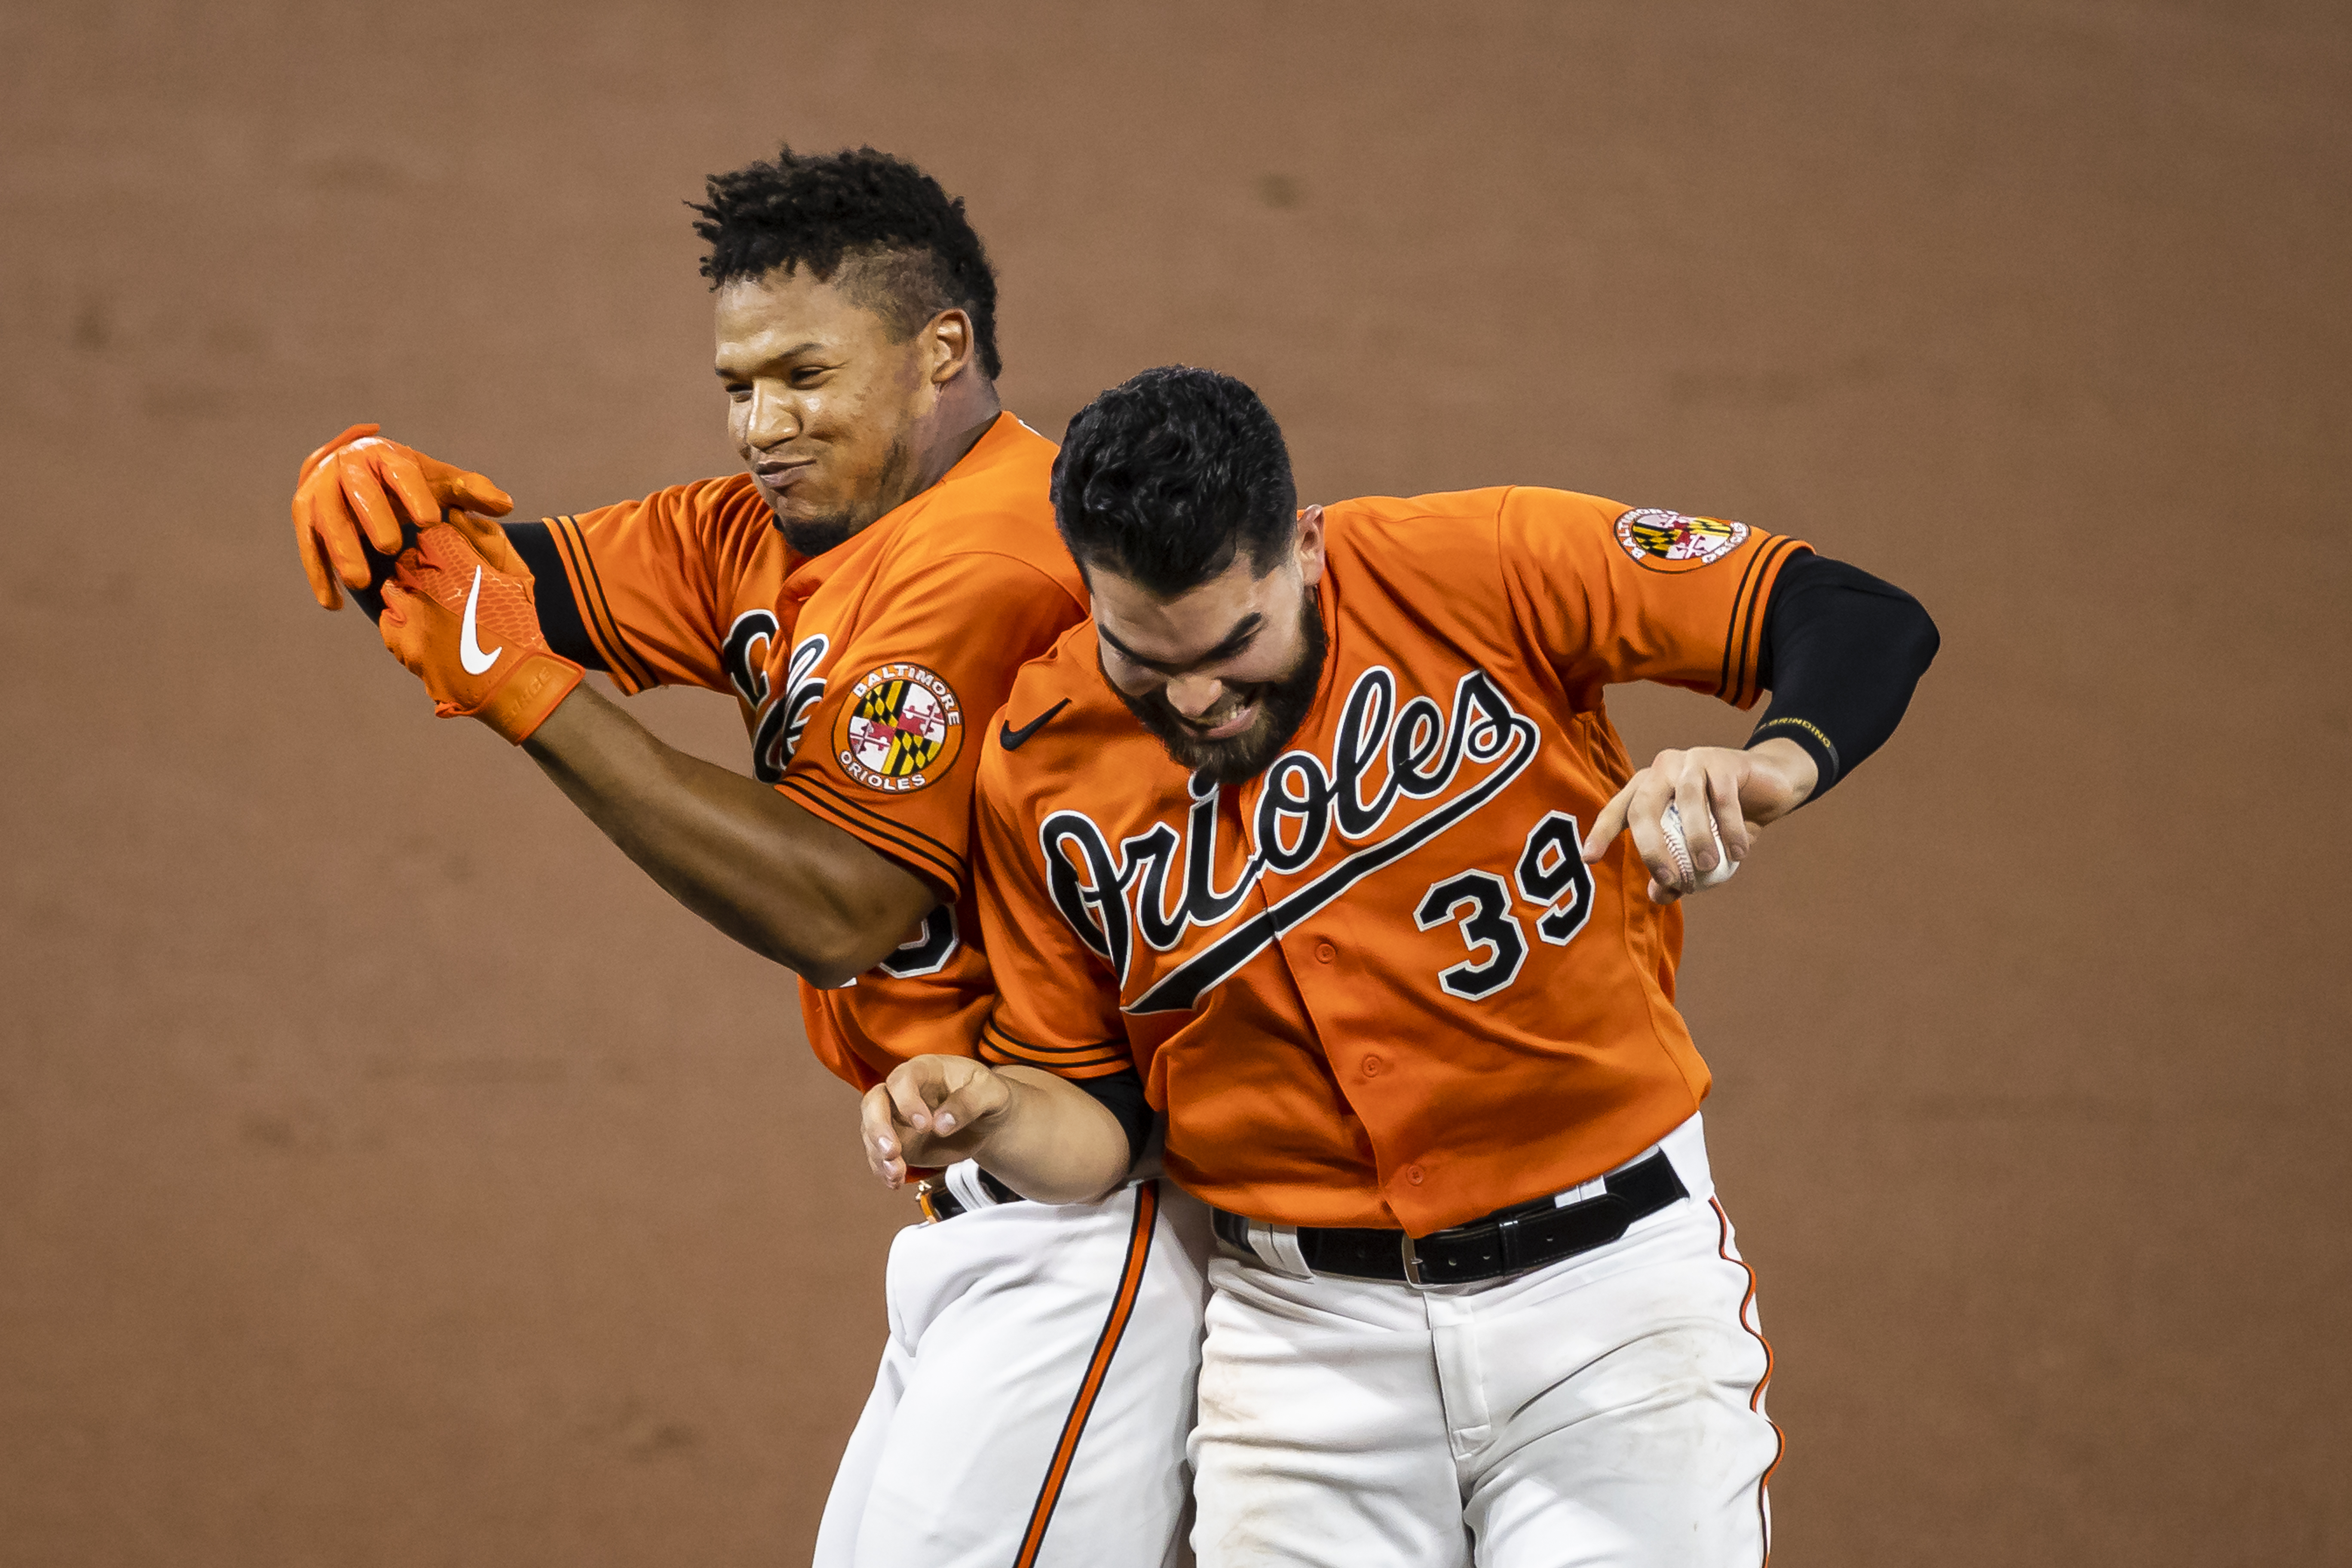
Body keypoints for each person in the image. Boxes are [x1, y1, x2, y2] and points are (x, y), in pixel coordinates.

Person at [289, 148, 1207, 1568]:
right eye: (737, 388)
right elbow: (478, 596)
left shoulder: (999, 556)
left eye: (803, 377)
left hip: (1100, 1225)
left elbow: (837, 906)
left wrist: (528, 697)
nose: (761, 426)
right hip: (983, 1228)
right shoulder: (785, 526)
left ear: (938, 351)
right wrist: (371, 498)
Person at [861, 365, 1939, 1565]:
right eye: (1143, 658)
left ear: (1305, 548)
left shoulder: (1479, 565)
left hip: (1613, 1311)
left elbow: (1850, 612)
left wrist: (1774, 765)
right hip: (1301, 1357)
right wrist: (996, 1107)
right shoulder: (1039, 761)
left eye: (1233, 644)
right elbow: (1106, 1121)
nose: (1197, 697)